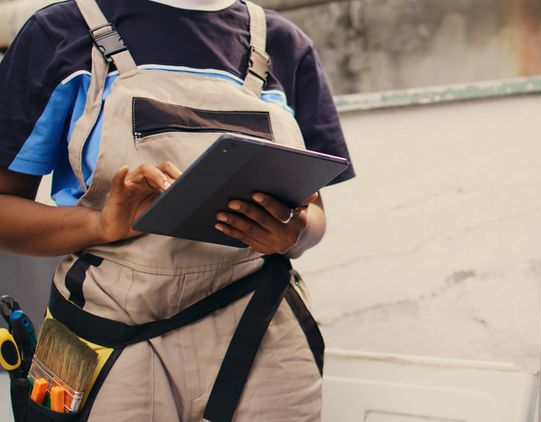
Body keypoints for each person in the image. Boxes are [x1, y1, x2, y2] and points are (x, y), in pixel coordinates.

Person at [0, 0, 354, 420]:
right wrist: (99, 224)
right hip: (109, 334)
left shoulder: (284, 44)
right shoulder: (60, 33)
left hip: (263, 331)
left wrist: (293, 234)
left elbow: (314, 214)